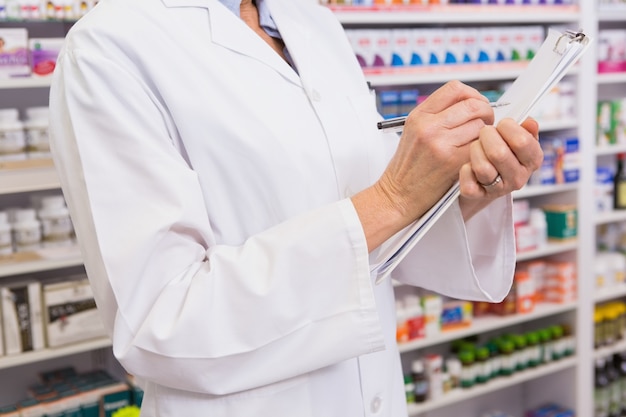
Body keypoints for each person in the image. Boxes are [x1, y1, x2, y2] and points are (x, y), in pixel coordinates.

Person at [47, 0, 542, 416]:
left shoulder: (313, 22)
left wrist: (467, 194)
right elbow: (162, 320)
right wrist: (396, 197)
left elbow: (373, 241)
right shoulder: (110, 45)